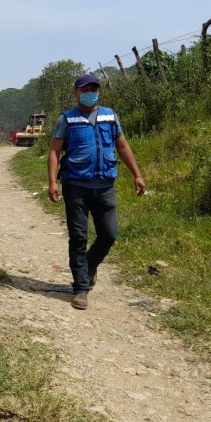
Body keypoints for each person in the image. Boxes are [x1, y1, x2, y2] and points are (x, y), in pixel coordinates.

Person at [46, 73, 145, 310]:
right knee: (79, 237)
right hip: (76, 187)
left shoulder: (110, 116)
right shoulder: (67, 119)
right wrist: (52, 182)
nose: (90, 92)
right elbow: (54, 151)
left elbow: (122, 145)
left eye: (94, 88)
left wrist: (137, 174)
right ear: (76, 93)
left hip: (105, 186)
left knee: (109, 235)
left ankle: (90, 264)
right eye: (85, 89)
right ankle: (81, 288)